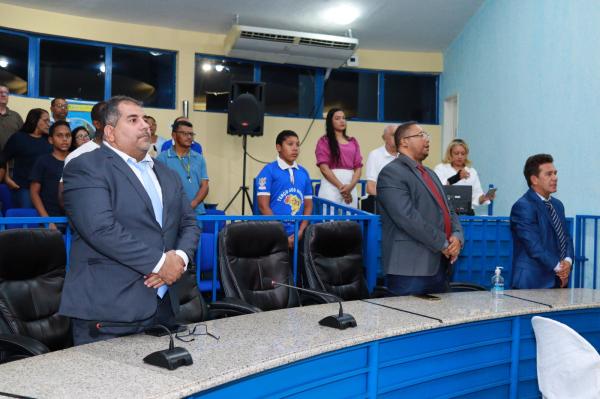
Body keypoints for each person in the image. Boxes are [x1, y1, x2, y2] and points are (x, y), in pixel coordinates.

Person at [60, 95, 200, 345]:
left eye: (144, 119)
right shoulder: (86, 166)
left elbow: (189, 222)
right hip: (109, 310)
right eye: (133, 120)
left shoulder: (167, 174)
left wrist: (178, 260)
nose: (145, 125)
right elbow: (100, 229)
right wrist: (160, 264)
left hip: (163, 305)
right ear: (111, 132)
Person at [377, 121, 463, 295]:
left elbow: (449, 209)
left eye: (427, 135)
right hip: (410, 270)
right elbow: (407, 218)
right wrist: (444, 243)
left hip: (440, 265)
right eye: (421, 135)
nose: (427, 140)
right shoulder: (391, 173)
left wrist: (457, 237)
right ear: (404, 142)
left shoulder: (430, 173)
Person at [510, 154, 573, 289]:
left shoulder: (558, 205)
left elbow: (565, 237)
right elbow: (534, 246)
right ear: (534, 179)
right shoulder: (523, 206)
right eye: (549, 174)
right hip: (532, 283)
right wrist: (559, 268)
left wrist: (568, 261)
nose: (555, 178)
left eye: (555, 173)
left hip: (559, 280)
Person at [256, 130, 313, 248]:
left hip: (299, 234)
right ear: (278, 147)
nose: (295, 148)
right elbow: (263, 206)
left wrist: (301, 231)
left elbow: (308, 205)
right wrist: (281, 235)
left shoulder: (304, 172)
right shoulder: (268, 170)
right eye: (290, 144)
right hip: (273, 234)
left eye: (297, 144)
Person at [157, 120, 209, 224]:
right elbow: (158, 187)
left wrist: (192, 205)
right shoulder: (162, 158)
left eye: (191, 134)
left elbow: (205, 186)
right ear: (174, 135)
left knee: (194, 240)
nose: (189, 137)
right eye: (185, 134)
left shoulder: (199, 158)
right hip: (172, 214)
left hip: (195, 213)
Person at [2, 108, 52, 207]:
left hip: (46, 189)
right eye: (45, 120)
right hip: (24, 188)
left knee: (45, 220)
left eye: (49, 121)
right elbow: (3, 157)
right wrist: (7, 178)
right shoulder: (18, 138)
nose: (48, 124)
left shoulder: (49, 140)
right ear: (35, 120)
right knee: (29, 219)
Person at [315, 108, 362, 208]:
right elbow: (324, 168)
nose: (342, 121)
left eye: (344, 118)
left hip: (350, 184)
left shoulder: (353, 141)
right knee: (330, 219)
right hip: (331, 184)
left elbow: (358, 167)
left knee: (350, 219)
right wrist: (342, 187)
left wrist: (351, 186)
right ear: (330, 122)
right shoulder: (324, 141)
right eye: (337, 118)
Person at [29, 120, 71, 229]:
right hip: (51, 219)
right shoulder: (43, 161)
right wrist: (47, 220)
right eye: (59, 135)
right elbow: (34, 193)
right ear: (51, 140)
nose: (65, 139)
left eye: (68, 135)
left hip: (74, 220)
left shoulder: (77, 160)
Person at [434, 139, 495, 210]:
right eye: (456, 153)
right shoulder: (441, 168)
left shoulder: (472, 172)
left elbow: (477, 196)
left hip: (467, 214)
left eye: (463, 154)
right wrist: (457, 177)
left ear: (466, 155)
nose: (460, 157)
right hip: (447, 212)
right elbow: (437, 187)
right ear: (450, 154)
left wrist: (485, 198)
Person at [365, 125, 397, 196]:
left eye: (399, 134)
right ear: (384, 138)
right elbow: (370, 187)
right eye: (394, 135)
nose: (397, 137)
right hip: (380, 200)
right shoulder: (375, 155)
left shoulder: (405, 155)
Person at [0, 85, 24, 151]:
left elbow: (23, 137)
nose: (4, 95)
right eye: (0, 92)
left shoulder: (16, 116)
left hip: (11, 159)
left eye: (6, 93)